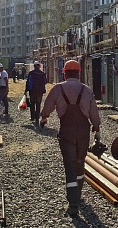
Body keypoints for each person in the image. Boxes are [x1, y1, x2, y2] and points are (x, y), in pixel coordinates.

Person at [40, 59, 101, 217]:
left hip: (66, 132)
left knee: (70, 166)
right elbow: (94, 112)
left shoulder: (58, 88)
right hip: (83, 132)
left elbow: (47, 107)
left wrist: (44, 118)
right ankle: (78, 194)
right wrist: (97, 128)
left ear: (65, 73)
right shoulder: (86, 90)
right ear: (79, 73)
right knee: (80, 162)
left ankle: (73, 204)